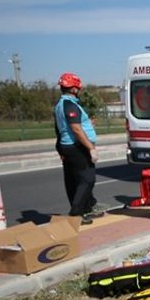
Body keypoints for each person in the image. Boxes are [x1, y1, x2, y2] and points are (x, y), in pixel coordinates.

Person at [53, 72, 100, 225]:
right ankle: (76, 213)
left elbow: (64, 126)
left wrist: (89, 125)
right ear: (74, 89)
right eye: (77, 88)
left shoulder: (61, 104)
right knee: (87, 179)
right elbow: (76, 129)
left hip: (67, 146)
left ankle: (86, 207)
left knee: (74, 180)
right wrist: (90, 148)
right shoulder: (70, 105)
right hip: (76, 147)